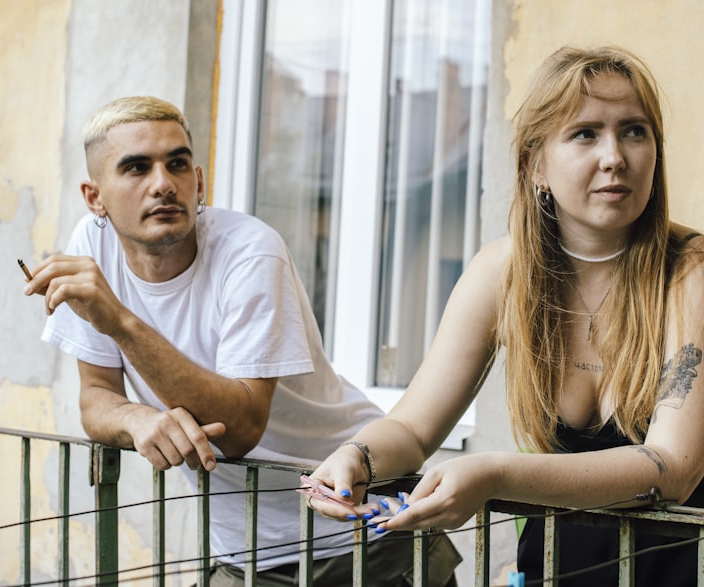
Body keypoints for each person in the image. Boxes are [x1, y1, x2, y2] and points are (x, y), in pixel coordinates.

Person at [308, 46, 704, 585]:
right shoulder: (502, 273)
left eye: (633, 131)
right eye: (585, 134)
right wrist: (358, 457)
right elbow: (414, 429)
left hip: (703, 549)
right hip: (571, 546)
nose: (614, 157)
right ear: (536, 163)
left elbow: (671, 467)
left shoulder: (695, 268)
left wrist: (493, 474)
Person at [24, 96, 460, 585]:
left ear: (200, 181)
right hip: (244, 547)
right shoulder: (93, 246)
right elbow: (96, 395)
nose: (163, 184)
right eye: (136, 168)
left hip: (366, 534)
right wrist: (136, 419)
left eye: (177, 163)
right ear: (94, 197)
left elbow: (239, 428)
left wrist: (121, 322)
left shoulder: (250, 251)